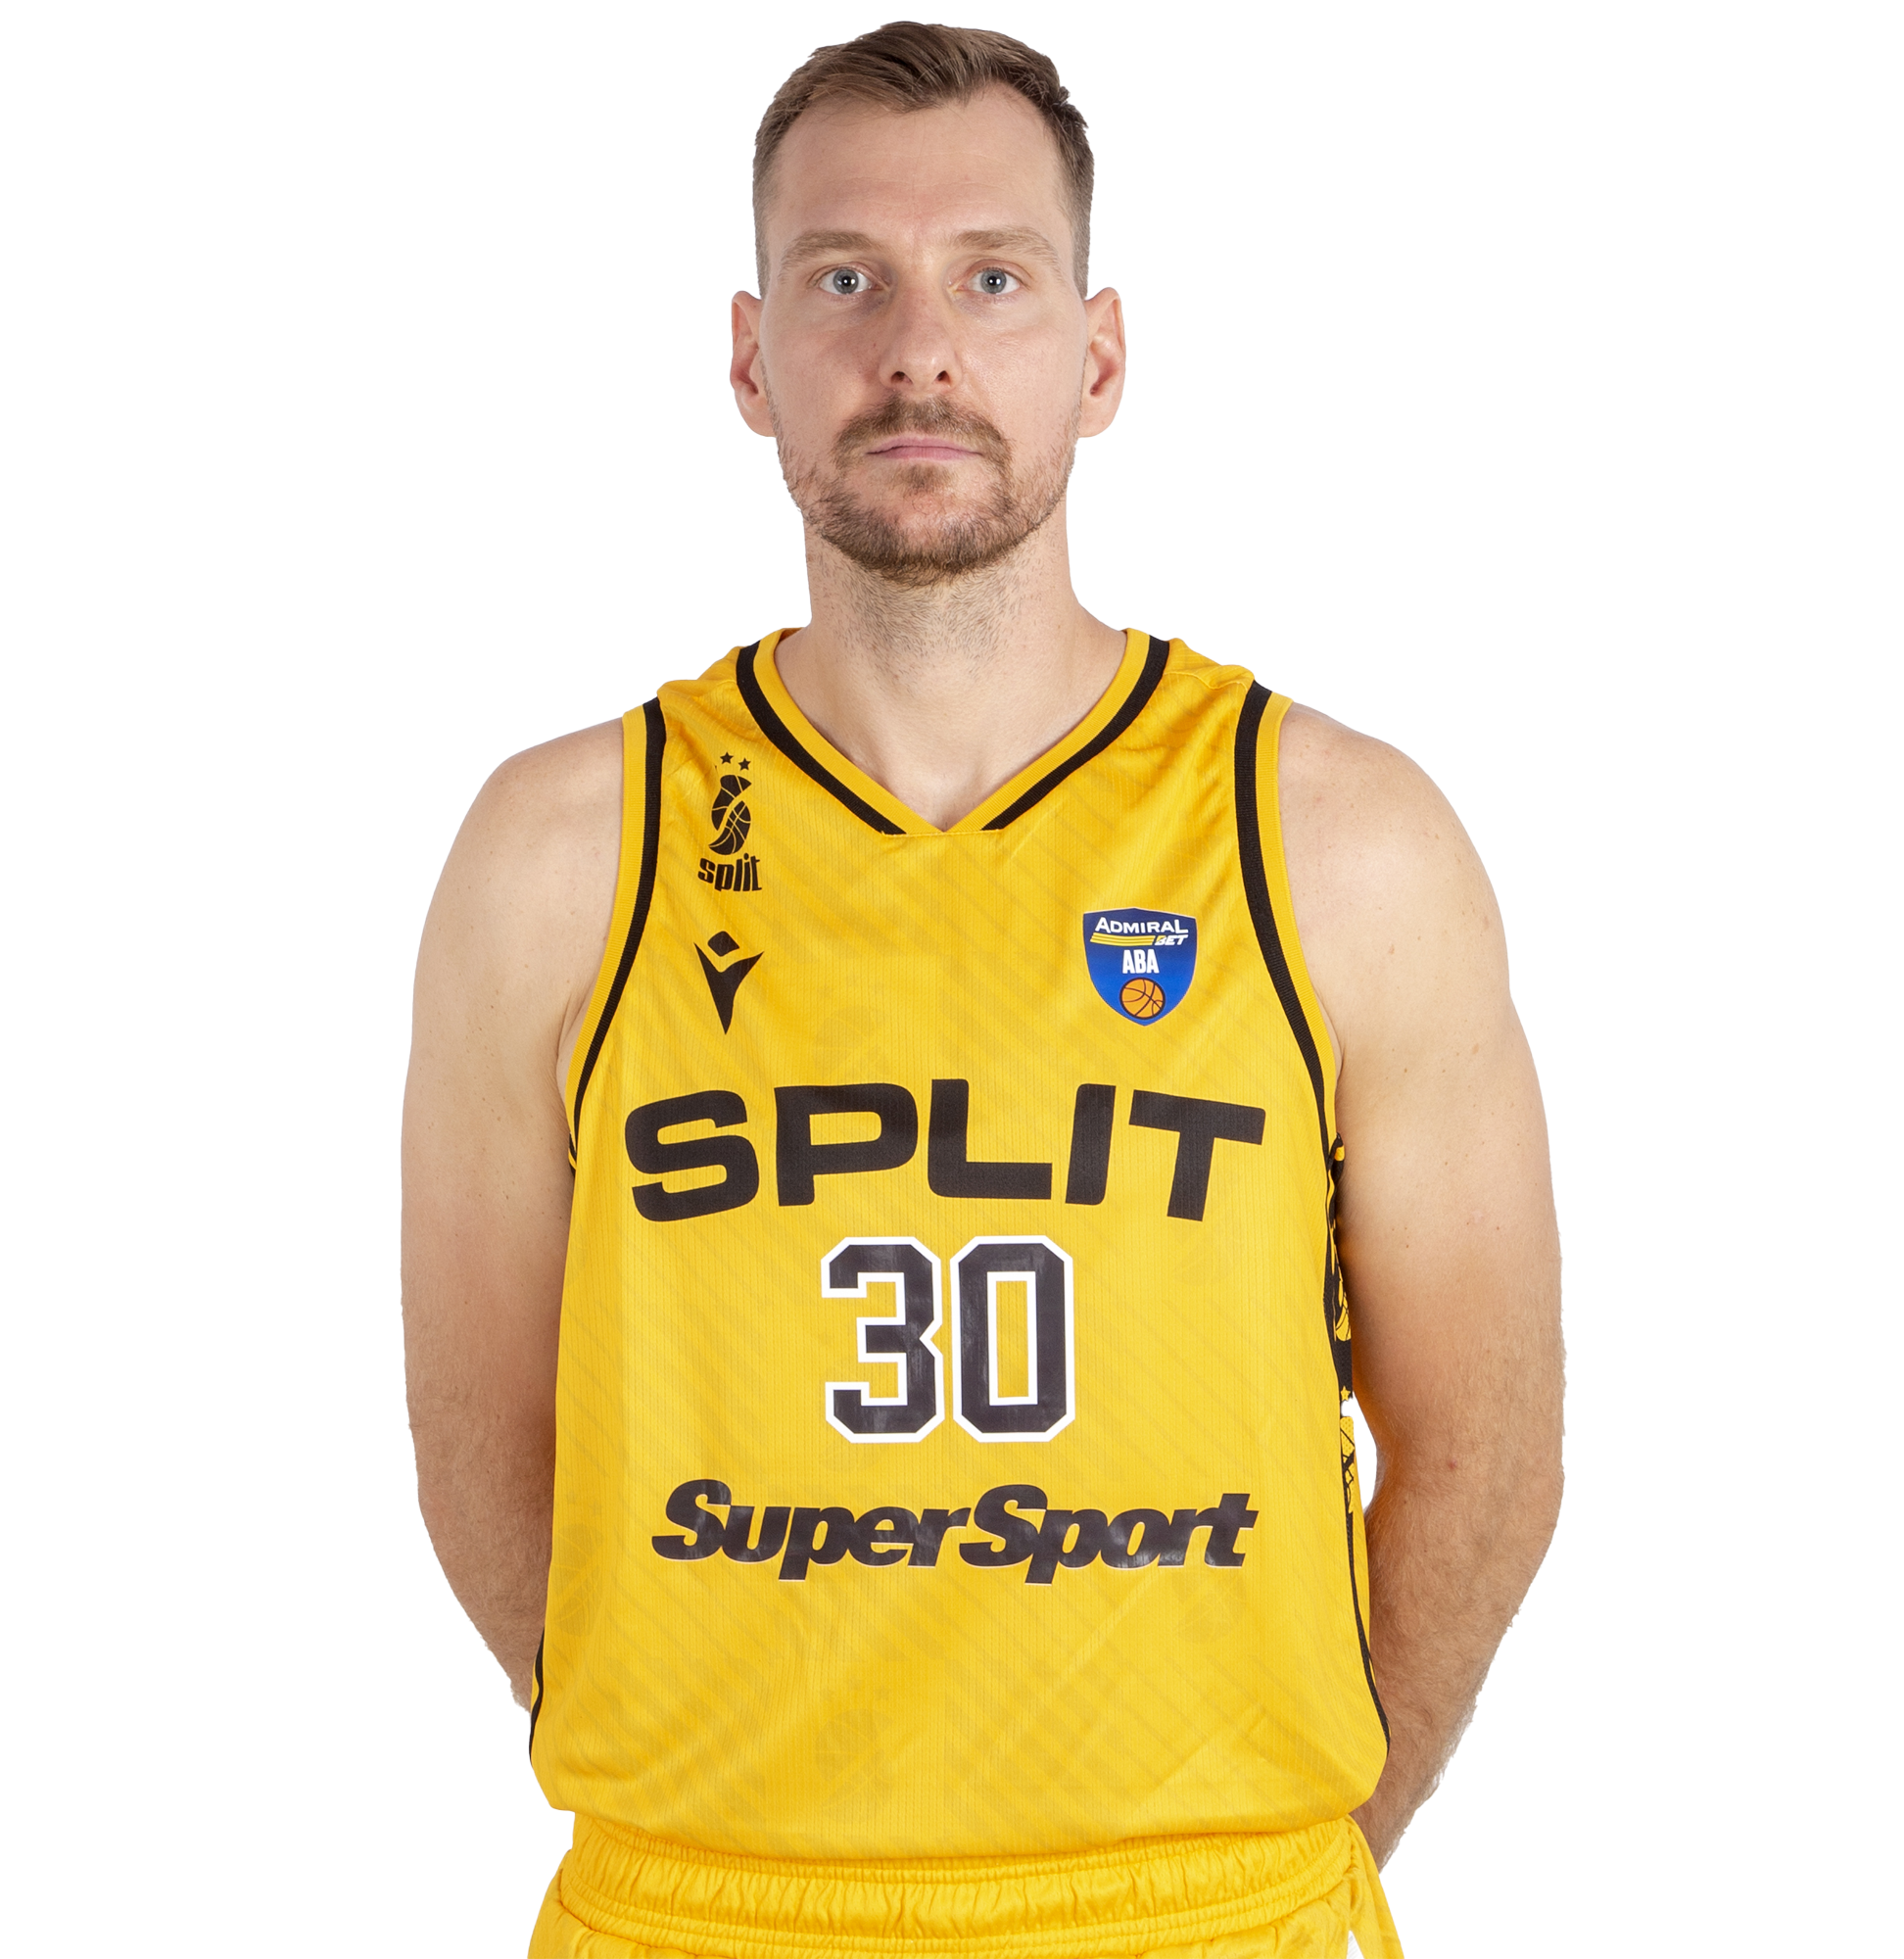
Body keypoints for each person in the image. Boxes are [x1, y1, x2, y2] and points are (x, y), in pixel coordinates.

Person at [403, 23, 1563, 1959]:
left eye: (993, 279)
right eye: (844, 279)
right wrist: (686, 1777)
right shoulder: (560, 856)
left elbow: (1488, 1433)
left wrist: (1284, 1842)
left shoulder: (1339, 845)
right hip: (703, 1909)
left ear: (1096, 359)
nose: (918, 350)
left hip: (1207, 1910)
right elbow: (476, 1405)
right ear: (752, 359)